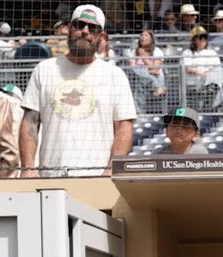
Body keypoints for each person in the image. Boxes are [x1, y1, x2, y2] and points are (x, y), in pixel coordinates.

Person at [20, 5, 136, 177]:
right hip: (51, 179)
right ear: (69, 28)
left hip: (97, 179)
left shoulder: (115, 75)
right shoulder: (44, 69)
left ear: (101, 36)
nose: (85, 31)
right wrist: (28, 168)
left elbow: (124, 127)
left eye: (93, 28)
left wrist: (111, 169)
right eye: (79, 25)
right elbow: (30, 122)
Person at [131, 30, 168, 113]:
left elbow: (155, 69)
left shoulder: (157, 51)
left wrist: (143, 56)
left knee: (147, 78)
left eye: (146, 35)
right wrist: (146, 71)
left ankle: (142, 112)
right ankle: (157, 88)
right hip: (139, 78)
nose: (143, 37)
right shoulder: (134, 52)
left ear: (151, 39)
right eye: (141, 35)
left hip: (153, 78)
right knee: (142, 76)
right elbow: (132, 68)